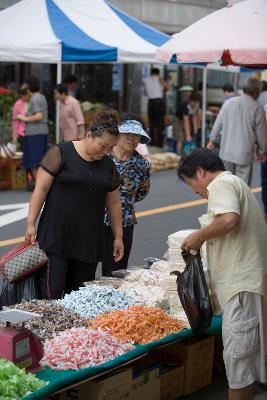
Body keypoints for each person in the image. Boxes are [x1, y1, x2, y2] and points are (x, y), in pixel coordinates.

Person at [177, 148, 267, 400]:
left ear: (201, 172)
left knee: (237, 357)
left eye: (189, 182)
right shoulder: (235, 182)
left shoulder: (221, 183)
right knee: (244, 354)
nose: (194, 191)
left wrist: (199, 236)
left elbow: (228, 219)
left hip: (240, 284)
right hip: (246, 281)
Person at [25, 110, 124, 299]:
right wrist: (31, 223)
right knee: (51, 295)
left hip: (89, 243)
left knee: (79, 298)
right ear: (89, 135)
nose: (106, 152)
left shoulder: (108, 165)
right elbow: (41, 190)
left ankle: (75, 331)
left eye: (111, 148)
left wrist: (118, 235)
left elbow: (113, 202)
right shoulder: (60, 152)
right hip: (56, 239)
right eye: (103, 145)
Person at [102, 113, 151, 276]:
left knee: (115, 272)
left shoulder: (142, 164)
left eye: (136, 135)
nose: (132, 138)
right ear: (118, 134)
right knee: (85, 268)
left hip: (124, 222)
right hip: (95, 220)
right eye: (128, 133)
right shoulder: (102, 156)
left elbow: (142, 192)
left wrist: (124, 201)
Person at [207, 78, 267, 186]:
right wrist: (263, 151)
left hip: (226, 152)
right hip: (244, 153)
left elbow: (218, 123)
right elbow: (261, 134)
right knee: (242, 187)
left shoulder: (229, 103)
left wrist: (212, 140)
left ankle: (229, 202)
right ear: (257, 92)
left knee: (228, 185)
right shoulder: (257, 107)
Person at [17, 76, 48, 188]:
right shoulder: (41, 97)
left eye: (25, 84)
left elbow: (39, 115)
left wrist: (24, 118)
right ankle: (40, 184)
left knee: (34, 161)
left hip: (34, 133)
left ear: (29, 86)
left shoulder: (35, 99)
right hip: (41, 132)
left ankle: (39, 185)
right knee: (39, 160)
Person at [144, 68, 169, 147]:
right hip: (158, 102)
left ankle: (152, 142)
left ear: (151, 73)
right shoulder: (159, 78)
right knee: (160, 123)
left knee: (151, 123)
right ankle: (159, 143)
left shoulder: (146, 80)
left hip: (150, 102)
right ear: (158, 73)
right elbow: (167, 87)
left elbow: (146, 93)